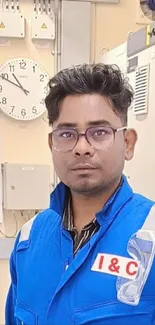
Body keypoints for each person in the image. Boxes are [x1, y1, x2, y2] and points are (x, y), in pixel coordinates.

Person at [5, 63, 155, 325]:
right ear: (52, 144)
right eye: (67, 134)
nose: (82, 148)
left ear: (128, 143)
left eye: (99, 132)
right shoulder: (29, 240)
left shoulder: (150, 236)